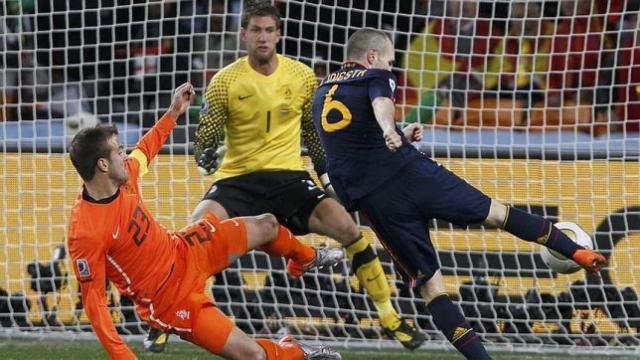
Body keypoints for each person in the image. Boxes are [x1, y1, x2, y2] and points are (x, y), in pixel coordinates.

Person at [142, 1, 424, 352]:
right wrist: (206, 156)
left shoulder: (303, 76)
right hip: (238, 179)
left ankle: (389, 317)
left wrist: (327, 182)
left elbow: (314, 137)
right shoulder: (223, 81)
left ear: (279, 35)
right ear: (243, 34)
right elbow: (206, 143)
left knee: (350, 229)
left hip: (290, 178)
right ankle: (167, 316)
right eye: (256, 30)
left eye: (269, 30)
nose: (263, 37)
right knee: (195, 233)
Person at [311, 28, 608, 360]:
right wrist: (389, 129)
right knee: (498, 214)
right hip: (412, 175)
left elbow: (353, 149)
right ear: (371, 57)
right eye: (389, 59)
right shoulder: (374, 75)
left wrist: (398, 134)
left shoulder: (322, 94)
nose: (390, 65)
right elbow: (381, 104)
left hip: (379, 203)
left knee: (432, 289)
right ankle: (577, 253)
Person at [67, 82, 343, 360]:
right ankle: (297, 351)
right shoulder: (86, 232)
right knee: (254, 357)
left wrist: (174, 113)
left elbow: (145, 149)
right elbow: (95, 305)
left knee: (268, 225)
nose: (125, 155)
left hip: (184, 249)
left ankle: (304, 258)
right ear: (103, 165)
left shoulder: (123, 176)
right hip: (171, 300)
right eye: (118, 152)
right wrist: (123, 357)